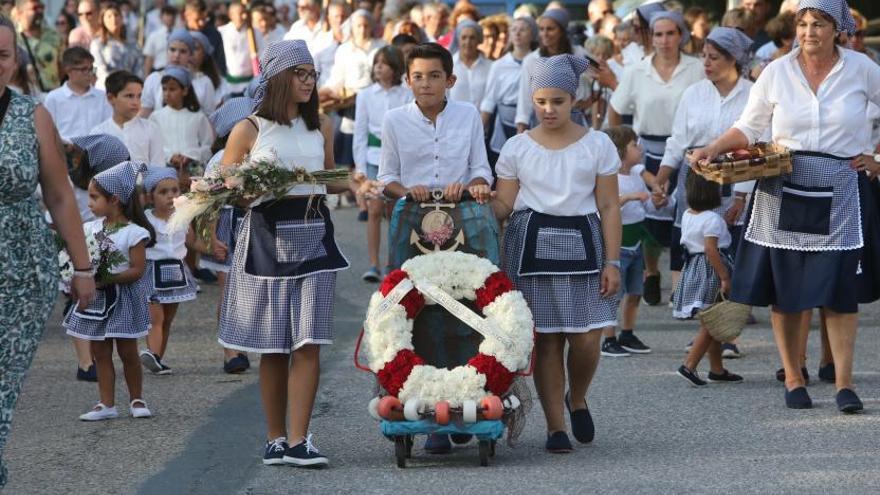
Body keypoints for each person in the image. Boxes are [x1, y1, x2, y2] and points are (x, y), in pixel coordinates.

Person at [689, 0, 880, 413]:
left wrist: (877, 158)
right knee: (787, 290)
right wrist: (712, 147)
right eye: (804, 23)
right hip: (784, 183)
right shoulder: (776, 71)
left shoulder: (863, 68)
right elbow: (750, 125)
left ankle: (845, 384)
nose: (809, 32)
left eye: (819, 24)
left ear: (837, 30)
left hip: (842, 186)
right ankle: (794, 379)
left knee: (839, 292)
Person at [218, 39, 352, 467]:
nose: (310, 81)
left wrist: (356, 182)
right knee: (274, 346)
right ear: (277, 77)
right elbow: (226, 187)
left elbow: (331, 179)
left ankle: (299, 440)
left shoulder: (322, 125)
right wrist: (248, 187)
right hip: (265, 239)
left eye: (312, 73)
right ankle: (276, 438)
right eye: (301, 73)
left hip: (314, 235)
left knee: (309, 341)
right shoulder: (249, 129)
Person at [492, 54, 621, 453]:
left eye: (558, 101)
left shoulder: (598, 144)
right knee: (547, 340)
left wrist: (612, 262)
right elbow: (503, 208)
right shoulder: (516, 147)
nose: (549, 109)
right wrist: (473, 198)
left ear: (573, 99)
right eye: (541, 101)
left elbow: (610, 207)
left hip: (584, 243)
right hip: (532, 246)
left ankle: (577, 395)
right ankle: (555, 427)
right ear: (533, 100)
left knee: (585, 338)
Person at [376, 43, 495, 454]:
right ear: (407, 80)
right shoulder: (394, 120)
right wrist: (407, 190)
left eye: (434, 76)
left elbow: (481, 167)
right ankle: (426, 419)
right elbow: (386, 178)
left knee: (467, 309)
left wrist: (475, 183)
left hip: (465, 224)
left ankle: (467, 405)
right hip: (412, 226)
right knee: (419, 313)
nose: (425, 84)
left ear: (451, 80)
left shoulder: (468, 116)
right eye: (418, 77)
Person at [0, 15, 96, 487]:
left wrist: (82, 268)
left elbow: (59, 195)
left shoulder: (31, 114)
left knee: (1, 384)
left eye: (2, 55)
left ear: (16, 59)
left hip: (20, 269)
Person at [609, 10, 704, 306]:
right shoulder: (638, 70)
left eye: (670, 33)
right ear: (651, 36)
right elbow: (616, 106)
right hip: (646, 149)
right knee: (647, 218)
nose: (664, 40)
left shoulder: (697, 68)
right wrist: (618, 144)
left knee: (687, 218)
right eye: (658, 34)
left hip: (689, 151)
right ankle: (651, 271)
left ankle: (688, 282)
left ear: (681, 36)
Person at [63, 161, 155, 421]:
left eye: (94, 197)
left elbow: (138, 269)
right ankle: (106, 403)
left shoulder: (133, 233)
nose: (89, 203)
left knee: (128, 352)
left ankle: (137, 399)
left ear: (114, 199)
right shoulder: (89, 229)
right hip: (97, 300)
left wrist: (108, 277)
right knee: (100, 353)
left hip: (124, 300)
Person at [673, 173, 742, 387]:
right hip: (711, 270)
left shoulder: (687, 215)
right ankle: (689, 364)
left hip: (694, 268)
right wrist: (724, 276)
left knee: (711, 319)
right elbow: (711, 249)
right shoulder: (712, 219)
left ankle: (716, 368)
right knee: (714, 321)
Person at [139, 167, 208, 375]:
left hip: (176, 271)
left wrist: (214, 249)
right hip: (151, 272)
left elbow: (192, 241)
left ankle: (157, 358)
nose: (170, 196)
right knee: (155, 319)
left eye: (175, 190)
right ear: (151, 196)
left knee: (167, 319)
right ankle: (153, 354)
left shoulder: (183, 216)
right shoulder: (144, 219)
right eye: (163, 192)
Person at [352, 46, 410, 282]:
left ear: (395, 68)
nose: (378, 67)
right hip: (373, 159)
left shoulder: (406, 94)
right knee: (375, 209)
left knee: (394, 211)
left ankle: (393, 263)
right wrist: (361, 169)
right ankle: (374, 264)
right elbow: (360, 133)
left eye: (384, 63)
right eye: (376, 62)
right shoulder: (365, 95)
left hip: (399, 161)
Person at [602, 125, 654, 357]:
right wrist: (631, 197)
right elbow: (609, 205)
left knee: (635, 291)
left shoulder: (636, 177)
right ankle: (608, 338)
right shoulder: (611, 178)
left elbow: (647, 205)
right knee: (615, 294)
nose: (640, 149)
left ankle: (628, 332)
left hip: (636, 243)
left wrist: (657, 202)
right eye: (634, 145)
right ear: (620, 150)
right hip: (620, 244)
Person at [320, 9, 385, 169]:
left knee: (373, 151)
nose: (362, 29)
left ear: (371, 26)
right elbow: (337, 78)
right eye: (358, 26)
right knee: (348, 155)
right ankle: (349, 189)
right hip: (350, 105)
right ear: (352, 27)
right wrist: (324, 93)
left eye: (365, 25)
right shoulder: (344, 50)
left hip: (377, 103)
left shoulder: (381, 47)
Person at [514, 8, 590, 132]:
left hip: (574, 122)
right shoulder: (531, 60)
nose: (545, 33)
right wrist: (521, 129)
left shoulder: (579, 54)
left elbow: (597, 82)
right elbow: (524, 98)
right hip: (542, 122)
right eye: (542, 29)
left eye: (550, 29)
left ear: (562, 31)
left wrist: (588, 101)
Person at [480, 16, 536, 160]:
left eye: (523, 30)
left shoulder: (538, 62)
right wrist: (479, 130)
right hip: (504, 124)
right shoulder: (499, 65)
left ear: (532, 34)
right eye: (514, 29)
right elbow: (489, 100)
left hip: (533, 122)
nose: (517, 33)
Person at [148, 66, 214, 178]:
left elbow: (208, 146)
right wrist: (169, 156)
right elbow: (152, 146)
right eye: (164, 89)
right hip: (165, 172)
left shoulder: (198, 117)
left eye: (172, 89)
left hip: (193, 172)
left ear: (185, 90)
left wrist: (191, 156)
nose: (167, 94)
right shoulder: (155, 117)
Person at [91, 70, 164, 166]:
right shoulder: (98, 133)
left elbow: (158, 168)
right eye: (129, 96)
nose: (136, 102)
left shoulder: (151, 129)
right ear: (111, 98)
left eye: (139, 96)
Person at [141, 29, 216, 118]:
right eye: (172, 50)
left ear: (190, 55)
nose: (176, 55)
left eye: (183, 51)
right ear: (167, 51)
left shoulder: (204, 82)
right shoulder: (154, 79)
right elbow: (145, 114)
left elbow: (209, 117)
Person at [43, 46, 111, 141]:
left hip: (96, 150)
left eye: (91, 69)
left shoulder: (102, 97)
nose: (89, 73)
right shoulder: (54, 98)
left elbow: (108, 129)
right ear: (68, 70)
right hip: (66, 151)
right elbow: (48, 132)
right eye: (83, 69)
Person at [90, 2, 142, 89]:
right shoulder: (97, 44)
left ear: (121, 18)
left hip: (131, 90)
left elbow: (139, 69)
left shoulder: (133, 44)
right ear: (103, 20)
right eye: (109, 16)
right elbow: (98, 69)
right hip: (107, 89)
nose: (113, 19)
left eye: (116, 15)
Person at [13, 0, 62, 90]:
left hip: (52, 93)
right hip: (26, 95)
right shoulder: (13, 38)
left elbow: (62, 67)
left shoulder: (54, 35)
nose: (40, 11)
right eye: (34, 8)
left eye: (41, 7)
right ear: (20, 12)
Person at [448, 19, 489, 110]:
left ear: (479, 40)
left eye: (472, 37)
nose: (468, 42)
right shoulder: (448, 65)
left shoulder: (490, 66)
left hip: (483, 121)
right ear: (458, 40)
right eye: (464, 37)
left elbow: (490, 99)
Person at [182, 0, 226, 77]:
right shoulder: (179, 38)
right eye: (197, 20)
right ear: (186, 16)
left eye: (204, 19)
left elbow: (220, 63)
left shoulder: (214, 35)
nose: (201, 23)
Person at [218, 1, 254, 94]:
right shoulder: (222, 32)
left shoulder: (254, 33)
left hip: (250, 82)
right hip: (229, 84)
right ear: (231, 15)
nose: (244, 17)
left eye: (245, 13)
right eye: (240, 13)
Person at [143, 5, 178, 74]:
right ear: (161, 17)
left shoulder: (179, 35)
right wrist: (146, 78)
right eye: (167, 14)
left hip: (176, 72)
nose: (170, 17)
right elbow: (149, 59)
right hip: (158, 71)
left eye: (172, 15)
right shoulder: (154, 36)